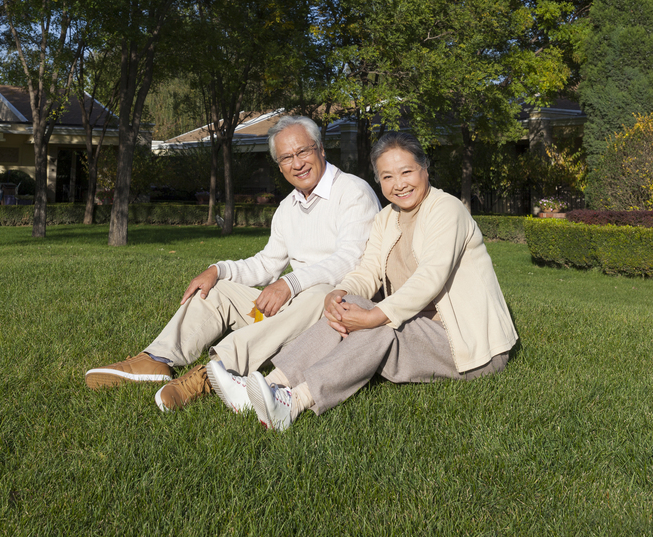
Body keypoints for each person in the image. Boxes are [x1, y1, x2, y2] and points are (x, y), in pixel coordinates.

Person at [209, 130, 518, 430]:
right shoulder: (387, 218)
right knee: (352, 305)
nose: (398, 184)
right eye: (387, 177)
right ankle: (268, 386)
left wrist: (374, 316)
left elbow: (429, 279)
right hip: (418, 329)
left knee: (381, 324)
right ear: (378, 180)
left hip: (468, 345)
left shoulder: (446, 208)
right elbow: (368, 271)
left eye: (406, 172)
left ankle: (294, 402)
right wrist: (339, 293)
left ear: (425, 169)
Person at [84, 115, 381, 412]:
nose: (297, 163)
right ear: (279, 166)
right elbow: (267, 263)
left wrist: (290, 283)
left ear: (321, 149)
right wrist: (219, 270)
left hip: (336, 309)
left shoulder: (353, 192)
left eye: (303, 151)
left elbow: (350, 261)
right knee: (217, 290)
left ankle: (213, 372)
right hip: (295, 303)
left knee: (318, 293)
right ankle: (158, 359)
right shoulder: (288, 207)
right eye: (287, 158)